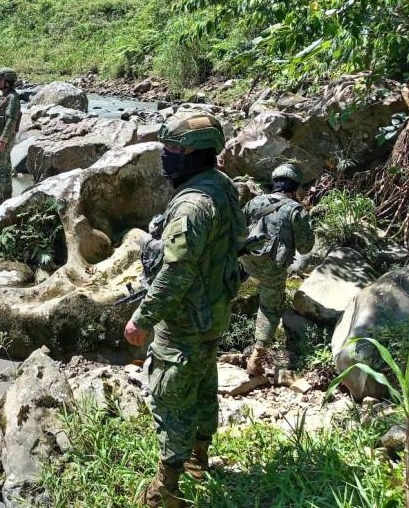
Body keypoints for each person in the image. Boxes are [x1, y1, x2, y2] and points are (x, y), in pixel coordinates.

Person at [124, 112, 247, 508]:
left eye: (174, 148)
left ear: (195, 155)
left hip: (185, 317)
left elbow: (176, 272)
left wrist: (142, 319)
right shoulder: (223, 186)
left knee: (170, 393)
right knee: (203, 379)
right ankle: (199, 458)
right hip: (214, 311)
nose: (166, 155)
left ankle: (167, 488)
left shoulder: (192, 206)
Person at [241, 163, 315, 376]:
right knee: (269, 307)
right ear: (295, 187)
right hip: (273, 266)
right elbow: (305, 247)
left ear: (275, 183)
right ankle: (256, 357)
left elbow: (239, 227)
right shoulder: (296, 210)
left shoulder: (255, 202)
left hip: (247, 259)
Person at [0, 67, 21, 204]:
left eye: (0, 79)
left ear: (7, 81)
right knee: (6, 165)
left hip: (4, 138)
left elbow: (11, 120)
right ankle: (7, 194)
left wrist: (2, 141)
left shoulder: (12, 98)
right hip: (0, 136)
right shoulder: (4, 97)